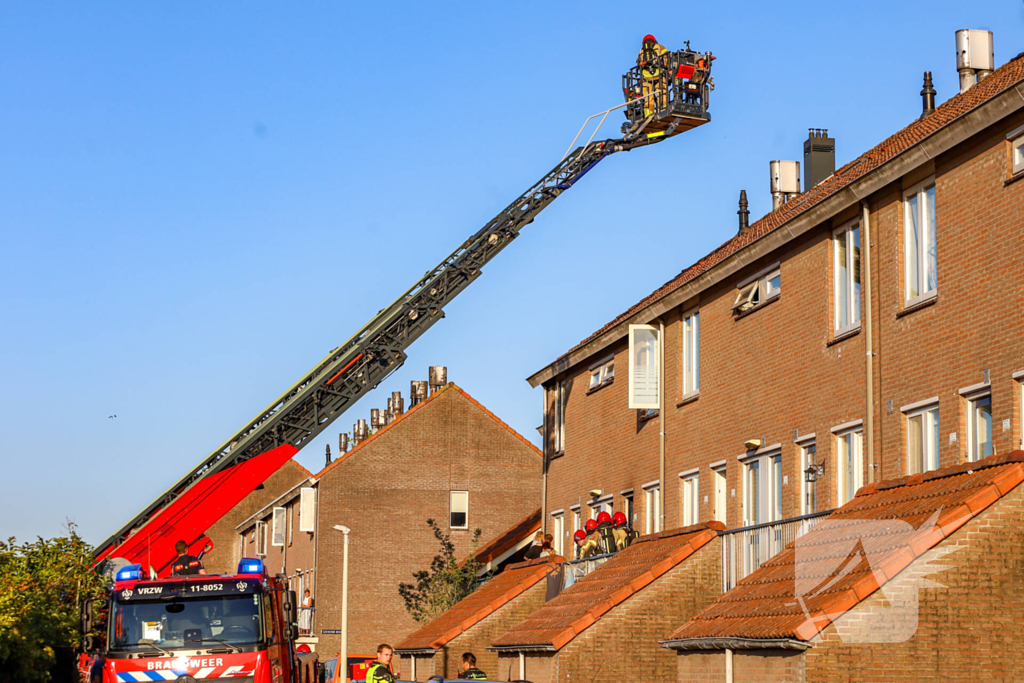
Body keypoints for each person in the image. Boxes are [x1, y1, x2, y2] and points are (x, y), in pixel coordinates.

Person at [637, 34, 669, 117]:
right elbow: (668, 56)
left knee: (648, 98)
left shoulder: (641, 50)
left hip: (646, 76)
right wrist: (666, 66)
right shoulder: (659, 47)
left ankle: (648, 114)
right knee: (662, 94)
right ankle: (663, 111)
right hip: (659, 74)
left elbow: (638, 63)